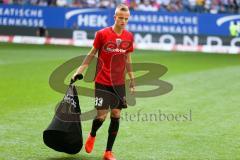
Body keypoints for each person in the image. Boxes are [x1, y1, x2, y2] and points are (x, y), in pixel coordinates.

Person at [72, 4, 135, 160]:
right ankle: (92, 134)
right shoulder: (102, 34)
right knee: (101, 116)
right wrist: (79, 71)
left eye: (126, 19)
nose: (123, 21)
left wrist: (132, 79)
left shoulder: (129, 36)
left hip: (119, 83)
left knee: (116, 113)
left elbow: (128, 59)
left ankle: (108, 152)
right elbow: (92, 53)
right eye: (120, 18)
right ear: (115, 17)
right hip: (102, 80)